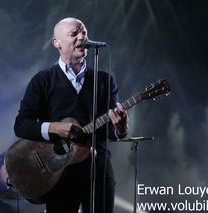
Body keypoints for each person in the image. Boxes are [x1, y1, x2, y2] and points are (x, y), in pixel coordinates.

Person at [14, 17, 129, 213]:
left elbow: (110, 132)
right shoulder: (43, 80)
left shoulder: (104, 80)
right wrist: (54, 127)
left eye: (84, 32)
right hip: (59, 172)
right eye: (74, 34)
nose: (82, 37)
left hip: (98, 167)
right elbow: (21, 125)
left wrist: (121, 129)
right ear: (56, 43)